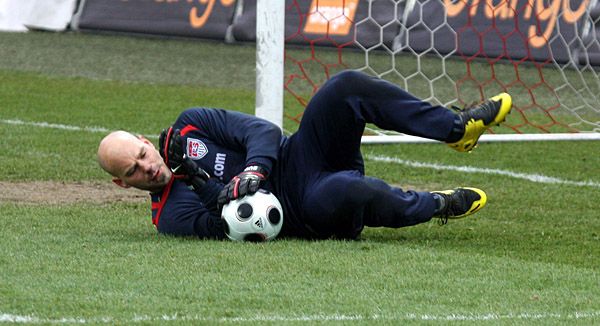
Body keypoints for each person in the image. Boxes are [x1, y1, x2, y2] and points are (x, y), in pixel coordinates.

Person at [97, 70, 512, 240]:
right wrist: (210, 187)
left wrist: (256, 168)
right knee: (349, 189)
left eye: (141, 154)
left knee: (344, 87)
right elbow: (232, 230)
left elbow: (261, 130)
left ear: (143, 140)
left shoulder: (190, 124)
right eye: (133, 170)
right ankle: (438, 204)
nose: (147, 167)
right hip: (305, 209)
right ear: (123, 183)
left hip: (302, 153)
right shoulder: (168, 218)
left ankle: (456, 130)